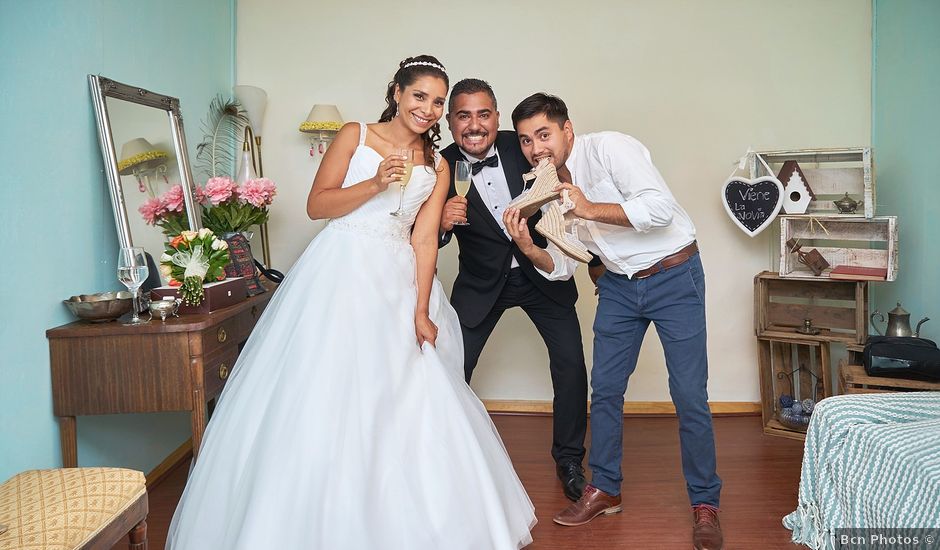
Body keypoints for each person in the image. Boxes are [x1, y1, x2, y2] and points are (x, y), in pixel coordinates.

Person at [166, 56, 536, 550]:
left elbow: (425, 240)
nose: (428, 110)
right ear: (398, 92)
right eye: (420, 96)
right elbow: (317, 206)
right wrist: (376, 183)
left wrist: (421, 310)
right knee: (325, 389)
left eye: (437, 103)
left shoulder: (439, 164)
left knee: (405, 393)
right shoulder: (354, 134)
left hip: (397, 279)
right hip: (338, 272)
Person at [504, 93, 724, 550]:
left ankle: (705, 504)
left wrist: (587, 208)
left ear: (567, 130)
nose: (535, 148)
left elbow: (659, 209)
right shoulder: (543, 189)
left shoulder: (611, 149)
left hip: (673, 274)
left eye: (544, 134)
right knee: (604, 390)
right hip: (620, 287)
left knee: (688, 394)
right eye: (526, 141)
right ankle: (605, 488)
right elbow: (567, 265)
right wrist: (527, 246)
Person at [438, 79, 589, 501]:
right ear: (451, 122)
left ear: (497, 117)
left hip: (542, 272)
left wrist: (594, 258)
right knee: (449, 368)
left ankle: (570, 459)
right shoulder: (440, 167)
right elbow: (422, 238)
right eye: (463, 115)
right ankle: (447, 456)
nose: (474, 124)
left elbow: (565, 178)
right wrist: (444, 226)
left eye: (483, 114)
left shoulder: (521, 143)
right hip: (482, 284)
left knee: (571, 368)